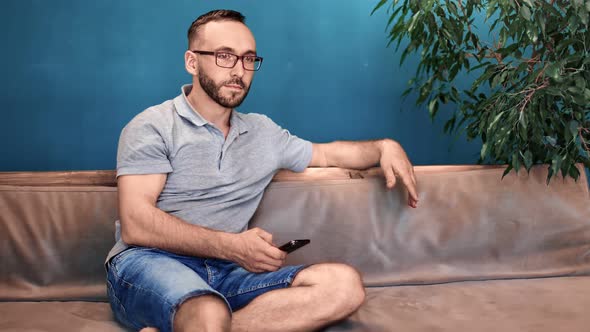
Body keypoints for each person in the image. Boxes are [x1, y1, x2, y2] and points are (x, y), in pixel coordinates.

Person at [105, 9, 419, 332]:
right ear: (192, 62)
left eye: (248, 59)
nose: (238, 70)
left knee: (344, 285)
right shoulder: (151, 126)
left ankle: (213, 327)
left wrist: (385, 147)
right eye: (224, 56)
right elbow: (136, 223)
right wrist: (233, 246)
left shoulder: (263, 133)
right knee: (208, 312)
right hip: (148, 264)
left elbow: (326, 153)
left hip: (226, 274)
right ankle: (207, 322)